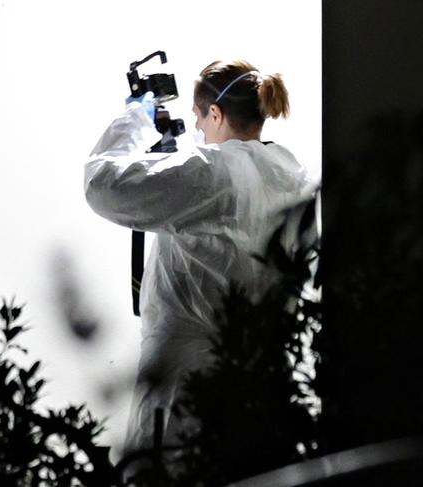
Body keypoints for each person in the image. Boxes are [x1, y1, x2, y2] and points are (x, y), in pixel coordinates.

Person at [84, 59, 314, 455]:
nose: (196, 130)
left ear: (216, 113)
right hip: (265, 385)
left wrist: (135, 119)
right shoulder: (293, 178)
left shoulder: (211, 172)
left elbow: (102, 184)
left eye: (199, 118)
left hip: (186, 387)